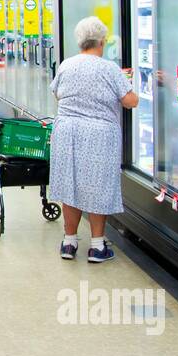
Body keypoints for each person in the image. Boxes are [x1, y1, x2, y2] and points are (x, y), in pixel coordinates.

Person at [48, 15, 139, 263]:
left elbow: (57, 93)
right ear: (102, 41)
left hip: (67, 132)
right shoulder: (109, 68)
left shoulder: (67, 65)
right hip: (99, 134)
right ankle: (98, 246)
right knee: (98, 185)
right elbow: (130, 101)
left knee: (70, 183)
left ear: (80, 41)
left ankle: (69, 242)